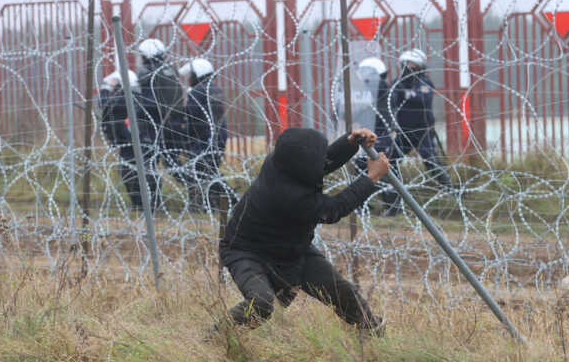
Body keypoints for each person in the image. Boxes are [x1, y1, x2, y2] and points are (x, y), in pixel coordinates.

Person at [218, 127, 389, 336]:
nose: (323, 159)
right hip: (246, 250)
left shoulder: (279, 162)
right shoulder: (289, 196)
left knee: (343, 292)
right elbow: (333, 210)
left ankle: (374, 337)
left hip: (289, 247)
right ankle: (216, 339)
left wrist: (349, 143)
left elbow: (319, 163)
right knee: (261, 302)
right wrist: (371, 178)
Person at [386, 48, 454, 216]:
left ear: (420, 67)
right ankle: (394, 204)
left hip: (423, 131)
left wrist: (405, 93)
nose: (408, 67)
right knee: (390, 163)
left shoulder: (424, 82)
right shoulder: (397, 82)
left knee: (431, 162)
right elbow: (389, 100)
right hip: (404, 132)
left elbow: (423, 98)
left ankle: (454, 195)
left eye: (412, 65)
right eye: (406, 64)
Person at [179, 58, 238, 211]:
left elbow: (190, 114)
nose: (190, 78)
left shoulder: (198, 91)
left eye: (192, 74)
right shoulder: (214, 89)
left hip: (205, 138)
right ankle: (223, 202)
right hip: (218, 135)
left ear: (198, 73)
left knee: (200, 170)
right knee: (208, 171)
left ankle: (226, 201)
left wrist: (182, 132)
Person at [135, 39, 186, 207]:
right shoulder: (171, 70)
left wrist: (137, 115)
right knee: (172, 164)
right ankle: (202, 190)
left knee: (148, 166)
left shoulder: (147, 72)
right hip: (174, 124)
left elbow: (149, 103)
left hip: (153, 127)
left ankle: (152, 203)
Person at [99, 69, 159, 211]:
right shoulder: (137, 97)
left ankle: (141, 204)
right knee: (144, 171)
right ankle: (152, 203)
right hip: (140, 141)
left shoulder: (124, 98)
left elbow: (105, 105)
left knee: (130, 172)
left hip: (131, 144)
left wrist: (106, 89)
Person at [352, 57, 399, 211]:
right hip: (371, 132)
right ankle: (362, 203)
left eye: (367, 72)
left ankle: (392, 204)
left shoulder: (379, 87)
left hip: (379, 133)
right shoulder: (371, 89)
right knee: (362, 167)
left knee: (379, 168)